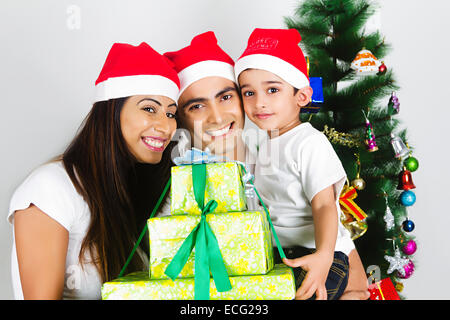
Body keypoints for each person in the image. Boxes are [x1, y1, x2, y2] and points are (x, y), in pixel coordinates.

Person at [166, 30, 369, 300]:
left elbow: (324, 205)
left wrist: (328, 260)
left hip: (312, 256)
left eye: (272, 90)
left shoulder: (306, 142)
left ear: (302, 96)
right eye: (249, 92)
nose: (259, 102)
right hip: (279, 260)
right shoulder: (261, 150)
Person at [7, 42, 180, 299]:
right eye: (149, 109)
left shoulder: (143, 193)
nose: (165, 127)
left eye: (171, 113)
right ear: (112, 110)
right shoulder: (52, 188)